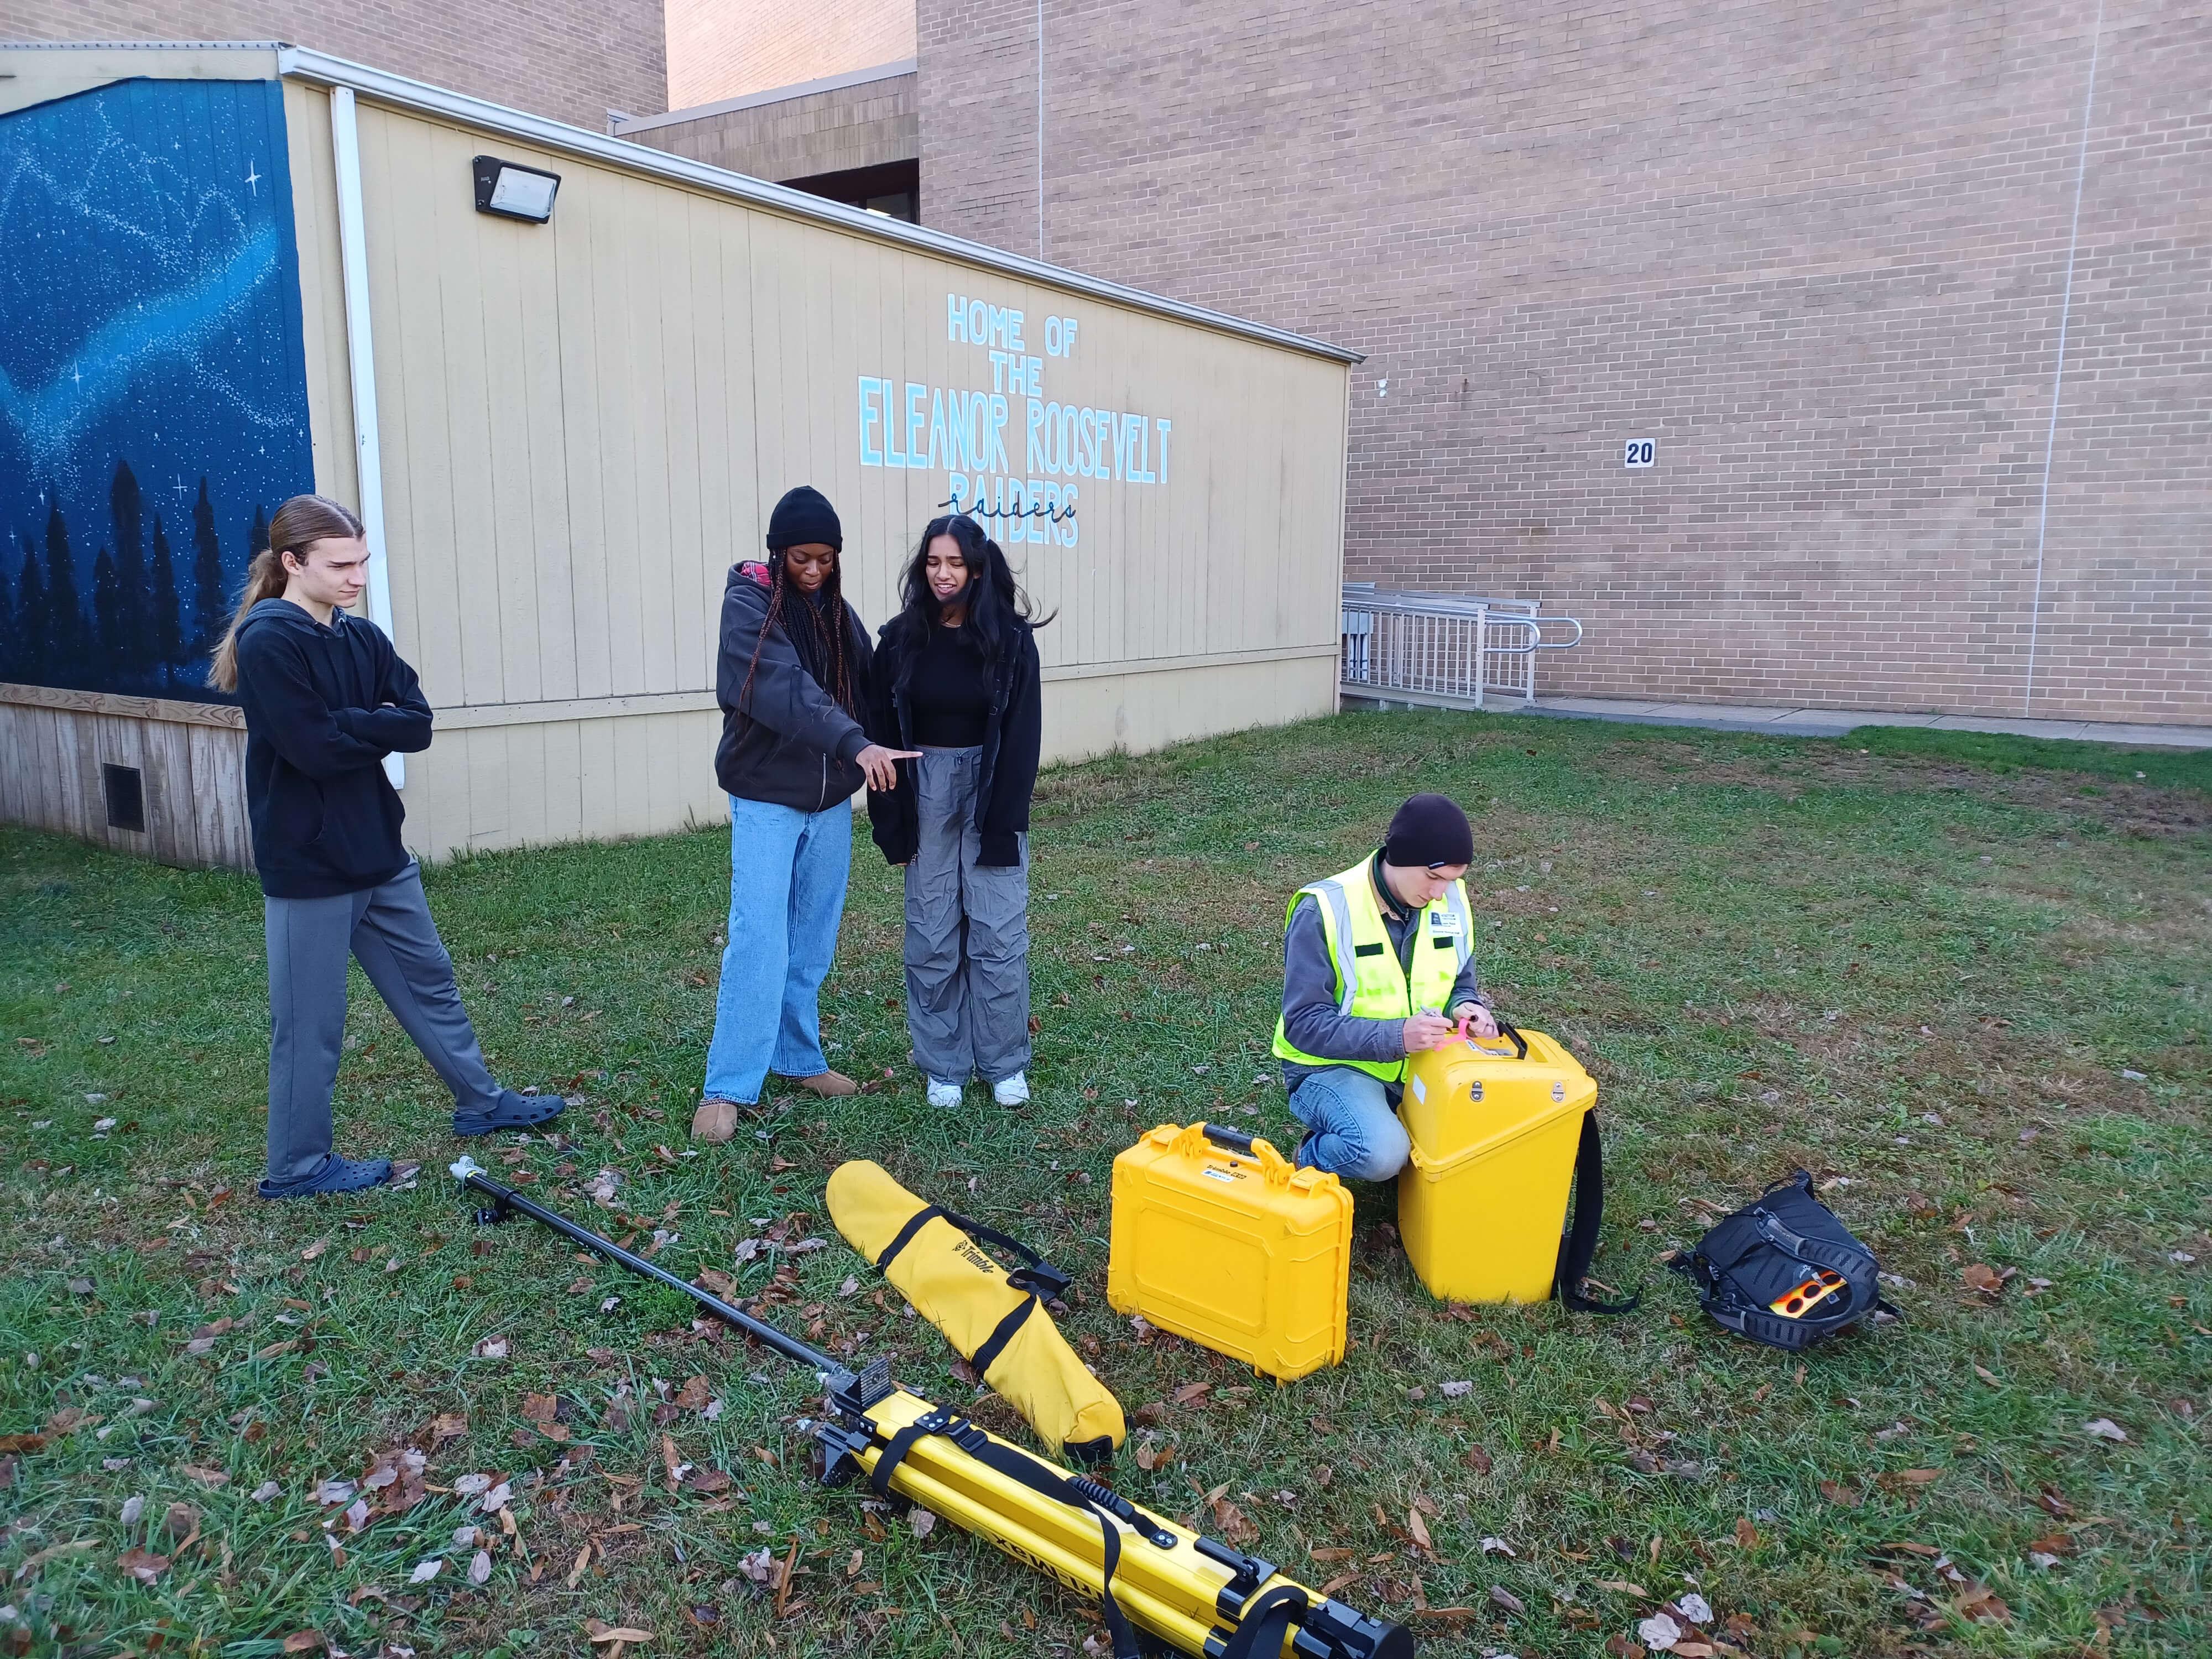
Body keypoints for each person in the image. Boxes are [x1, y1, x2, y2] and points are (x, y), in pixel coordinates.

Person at [209, 494, 559, 1199]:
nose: (356, 577)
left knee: (431, 983)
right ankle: (298, 1167)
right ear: (292, 563)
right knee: (310, 1025)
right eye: (340, 564)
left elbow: (418, 724)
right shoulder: (269, 639)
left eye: (362, 561)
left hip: (379, 852)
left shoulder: (361, 639)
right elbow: (313, 750)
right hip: (309, 864)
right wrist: (370, 723)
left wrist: (348, 722)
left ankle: (482, 1103)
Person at [693, 486, 915, 1141]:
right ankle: (728, 1085)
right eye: (800, 558)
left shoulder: (836, 614)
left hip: (827, 804)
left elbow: (872, 688)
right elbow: (782, 689)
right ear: (776, 553)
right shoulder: (750, 606)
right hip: (766, 798)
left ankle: (796, 1056)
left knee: (812, 936)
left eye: (824, 559)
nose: (813, 571)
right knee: (760, 936)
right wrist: (854, 744)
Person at [865, 514, 1047, 1109]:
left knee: (997, 935)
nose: (943, 575)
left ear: (976, 567)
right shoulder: (898, 640)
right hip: (925, 788)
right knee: (932, 935)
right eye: (933, 563)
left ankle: (1002, 1062)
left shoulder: (1012, 642)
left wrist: (1004, 821)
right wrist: (891, 821)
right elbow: (880, 735)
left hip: (992, 786)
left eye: (955, 563)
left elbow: (1023, 738)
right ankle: (944, 1063)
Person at [1271, 793, 1495, 1181]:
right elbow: (1303, 1024)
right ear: (1400, 857)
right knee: (1381, 1152)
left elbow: (1461, 979)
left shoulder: (1450, 900)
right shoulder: (1323, 909)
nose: (1440, 894)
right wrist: (1398, 1036)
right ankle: (1308, 1159)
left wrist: (1465, 1005)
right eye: (1433, 877)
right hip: (1329, 1067)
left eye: (1452, 881)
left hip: (1420, 1062)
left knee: (1497, 1124)